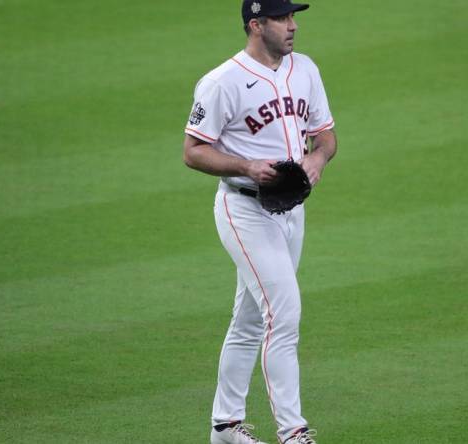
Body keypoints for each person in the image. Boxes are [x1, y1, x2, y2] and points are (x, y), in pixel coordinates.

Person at [182, 1, 336, 443]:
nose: (294, 25)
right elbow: (193, 151)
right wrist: (247, 167)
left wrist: (317, 159)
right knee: (283, 313)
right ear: (256, 25)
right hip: (244, 209)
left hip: (292, 208)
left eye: (293, 17)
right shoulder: (221, 82)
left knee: (249, 319)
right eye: (283, 18)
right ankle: (293, 432)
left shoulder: (304, 69)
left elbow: (325, 134)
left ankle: (225, 428)